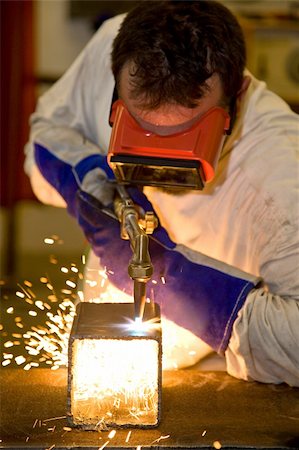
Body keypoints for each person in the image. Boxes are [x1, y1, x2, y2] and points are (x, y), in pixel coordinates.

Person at [25, 1, 299, 386]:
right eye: (142, 132)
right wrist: (86, 182)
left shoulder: (284, 173)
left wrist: (175, 279)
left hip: (212, 381)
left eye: (182, 140)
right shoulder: (114, 45)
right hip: (105, 357)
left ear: (237, 96)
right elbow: (47, 134)